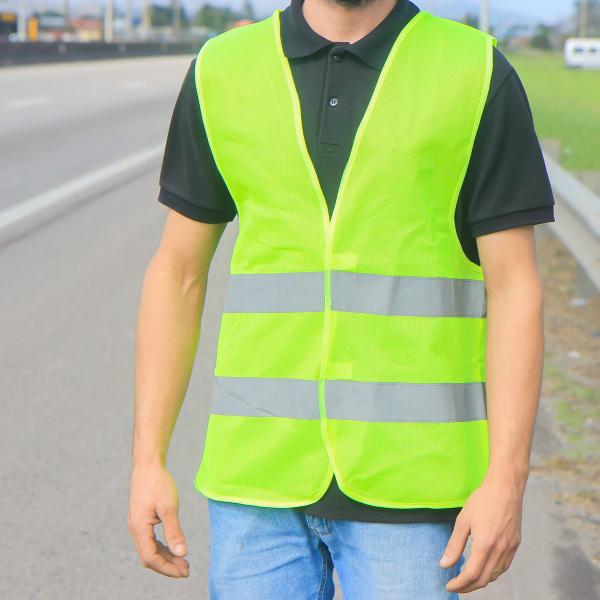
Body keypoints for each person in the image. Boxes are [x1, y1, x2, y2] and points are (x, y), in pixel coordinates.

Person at [127, 0, 555, 597]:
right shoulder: (222, 69)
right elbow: (176, 274)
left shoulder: (475, 70)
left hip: (413, 490)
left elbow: (515, 289)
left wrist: (507, 481)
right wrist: (148, 460)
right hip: (256, 484)